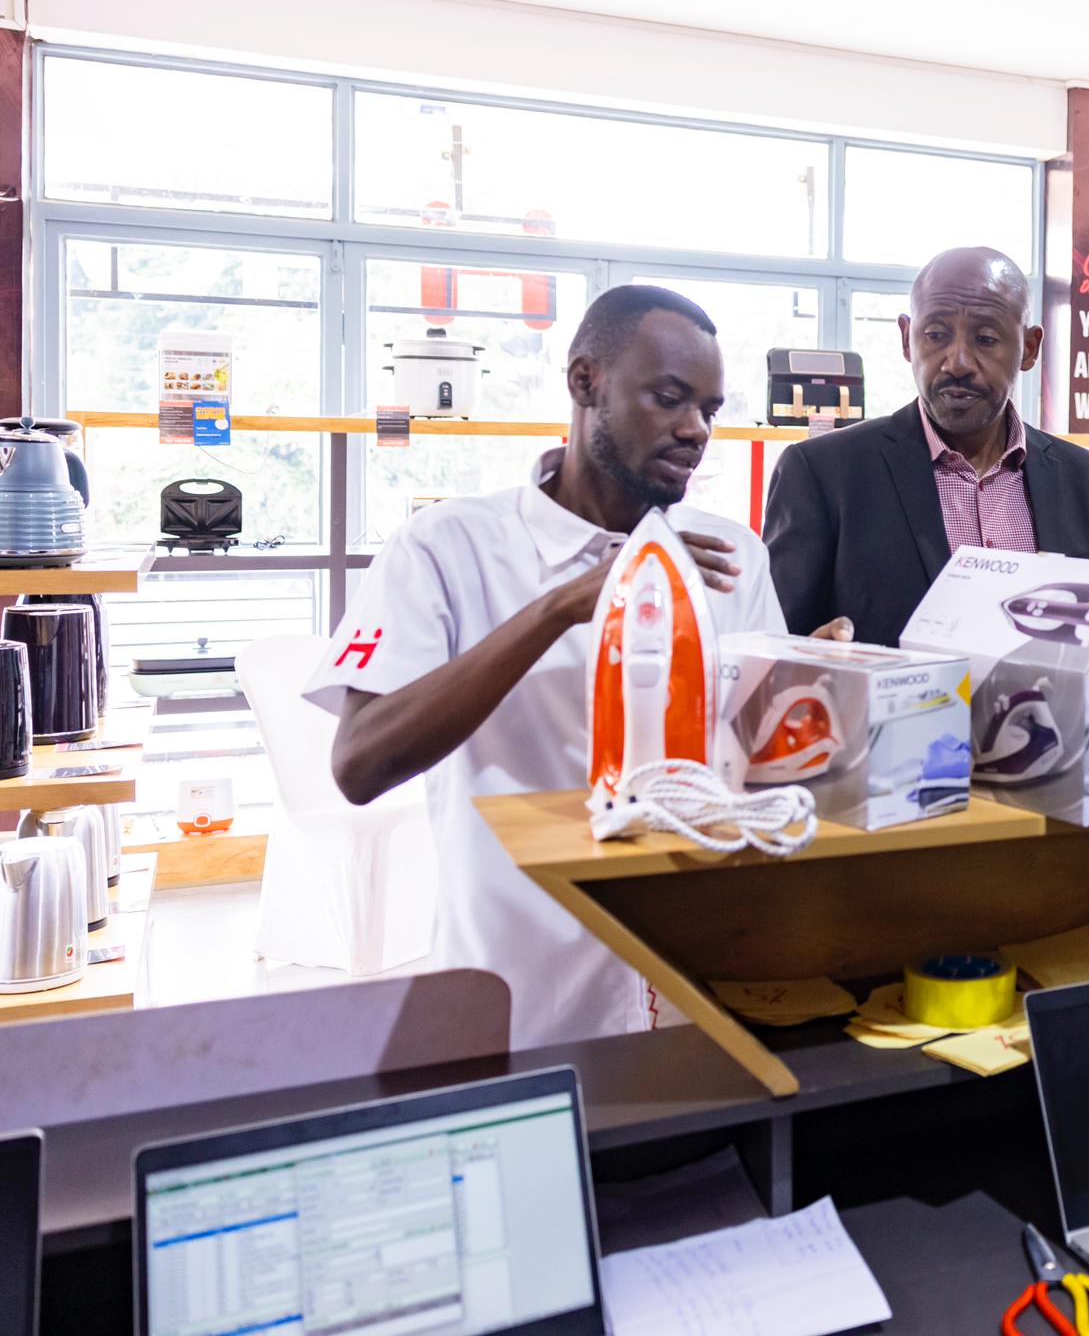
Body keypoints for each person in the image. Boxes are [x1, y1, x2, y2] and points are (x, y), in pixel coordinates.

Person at [306, 286, 834, 1049]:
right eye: (669, 399)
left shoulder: (730, 556)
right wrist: (561, 606)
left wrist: (822, 682)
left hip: (700, 999)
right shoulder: (446, 548)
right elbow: (359, 765)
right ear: (585, 382)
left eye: (710, 410)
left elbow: (758, 770)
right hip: (524, 1002)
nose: (695, 430)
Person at [764, 246, 1089, 643]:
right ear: (907, 339)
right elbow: (772, 648)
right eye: (935, 335)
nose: (957, 363)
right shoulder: (822, 473)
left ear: (1028, 348)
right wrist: (807, 659)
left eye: (986, 339)